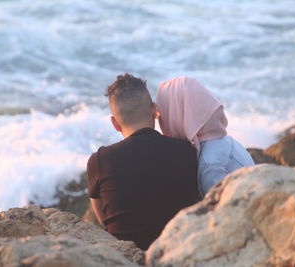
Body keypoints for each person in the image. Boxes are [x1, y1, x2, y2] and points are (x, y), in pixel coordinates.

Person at [87, 73, 199, 250]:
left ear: (115, 123)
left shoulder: (100, 160)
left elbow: (103, 219)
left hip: (125, 257)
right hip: (179, 252)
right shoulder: (188, 151)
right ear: (154, 110)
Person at [156, 76, 254, 199]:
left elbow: (222, 213)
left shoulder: (210, 164)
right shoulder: (223, 140)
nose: (160, 119)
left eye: (163, 112)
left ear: (178, 113)